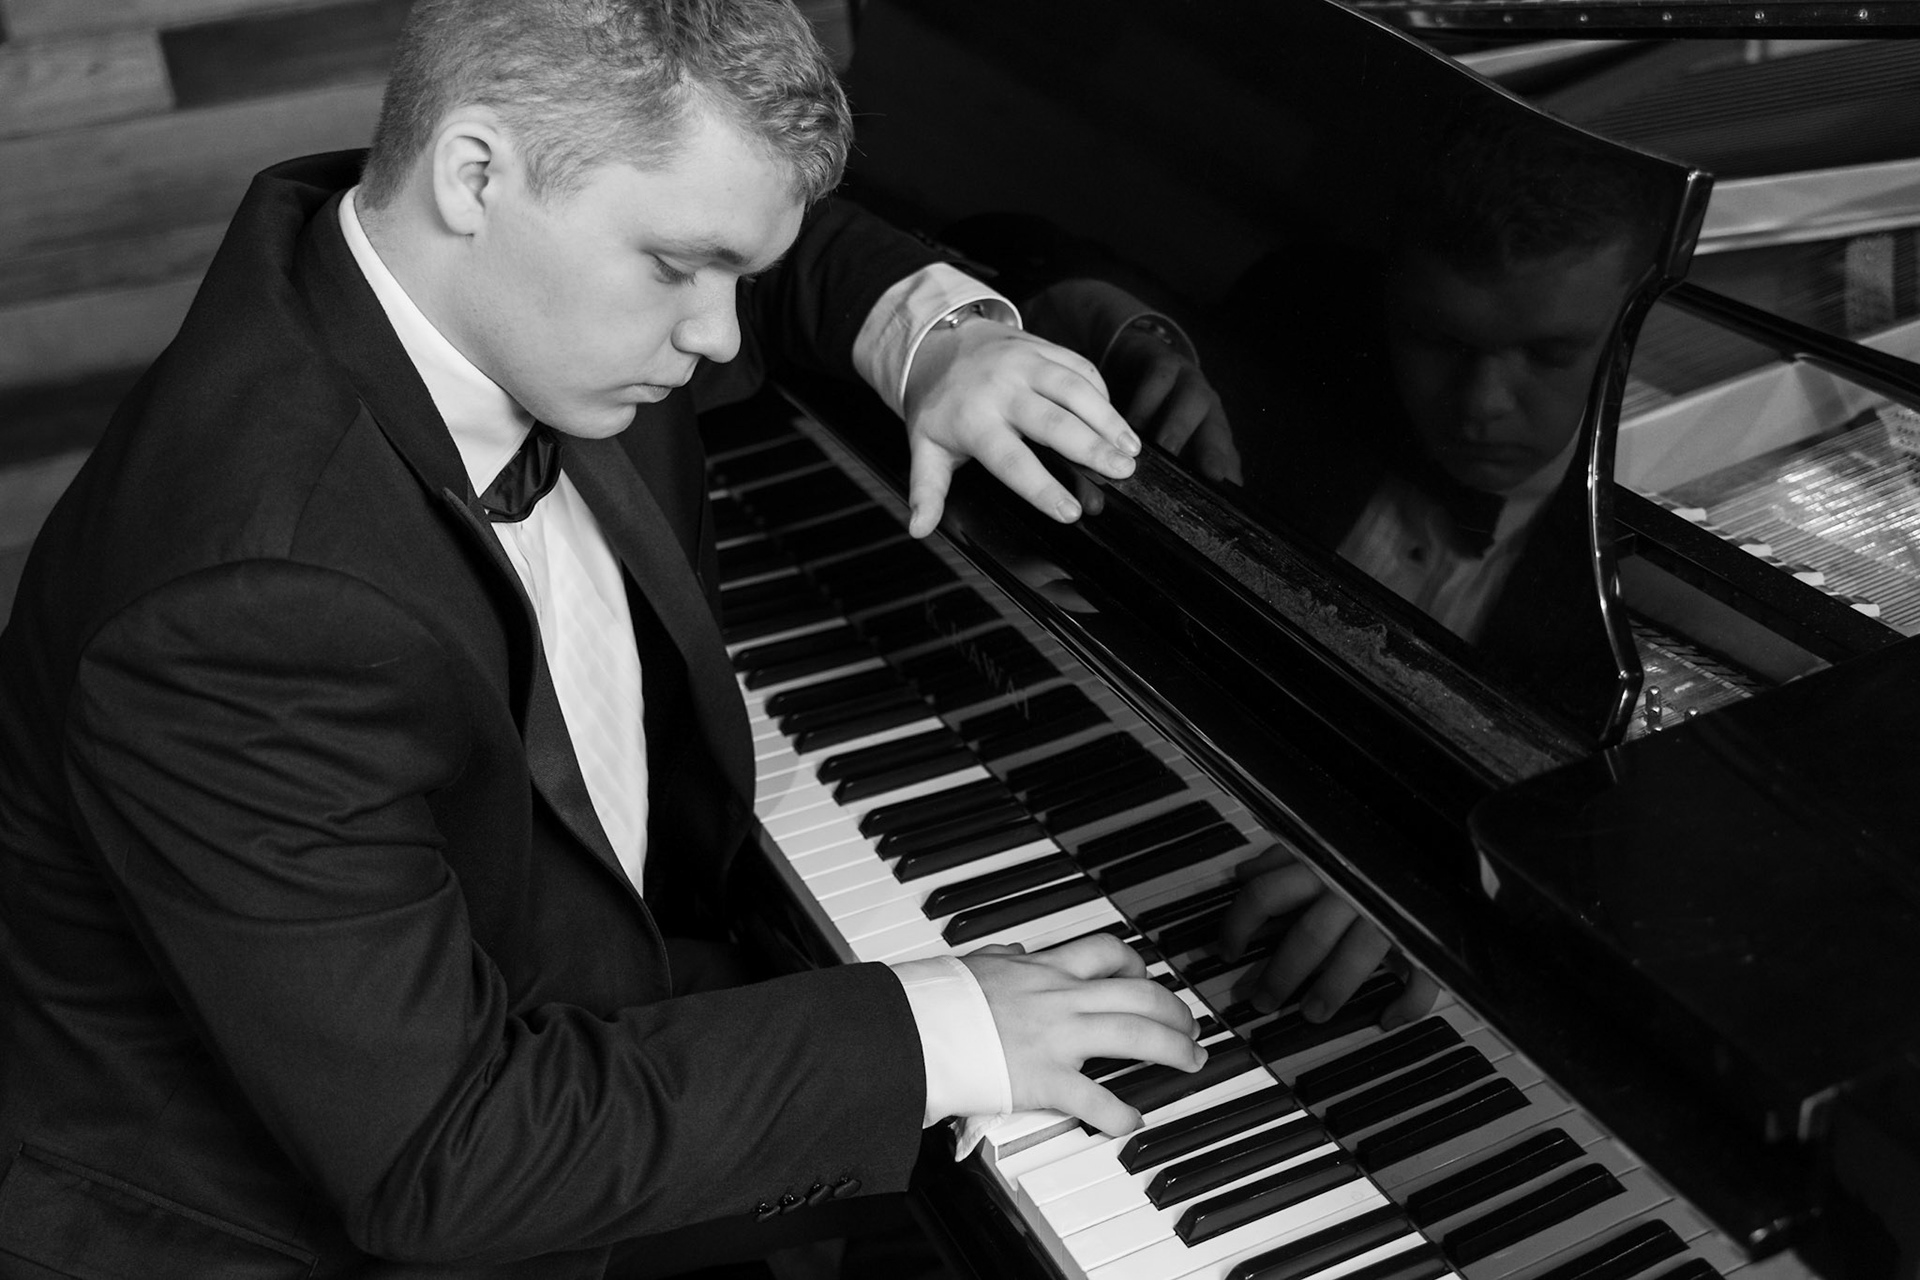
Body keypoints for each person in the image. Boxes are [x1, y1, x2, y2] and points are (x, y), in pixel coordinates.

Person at [0, 2, 1208, 1276]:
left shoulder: (494, 281)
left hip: (570, 989)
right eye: (680, 267)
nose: (721, 332)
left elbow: (769, 244)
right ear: (474, 173)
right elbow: (443, 1155)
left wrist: (942, 342)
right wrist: (939, 1034)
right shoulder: (245, 608)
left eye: (736, 271)